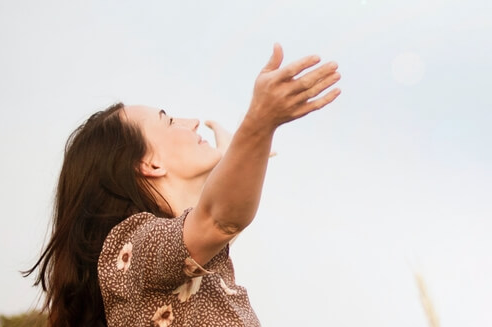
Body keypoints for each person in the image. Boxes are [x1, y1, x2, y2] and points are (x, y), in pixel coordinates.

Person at [26, 44, 341, 327]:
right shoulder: (131, 248)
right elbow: (219, 221)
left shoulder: (181, 255)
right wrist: (259, 124)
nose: (192, 122)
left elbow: (216, 221)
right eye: (169, 120)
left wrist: (240, 154)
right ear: (151, 164)